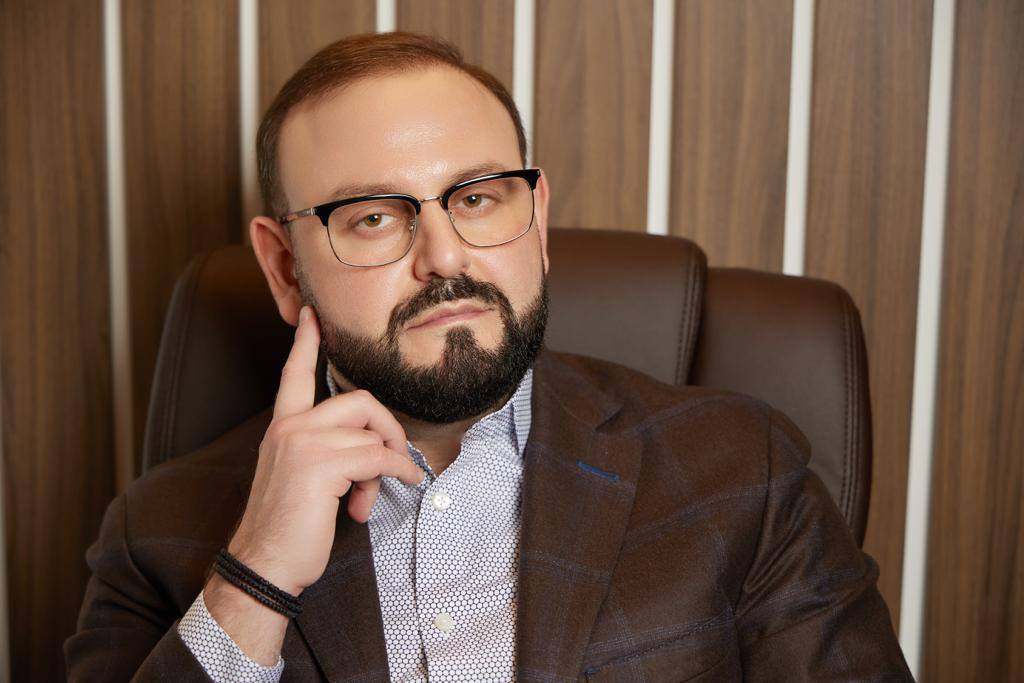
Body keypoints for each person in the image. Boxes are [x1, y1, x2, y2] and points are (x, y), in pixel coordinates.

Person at [65, 32, 912, 681]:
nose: (445, 258)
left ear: (536, 223)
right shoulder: (157, 536)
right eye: (374, 217)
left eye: (477, 199)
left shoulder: (743, 470)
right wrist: (254, 580)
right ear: (286, 268)